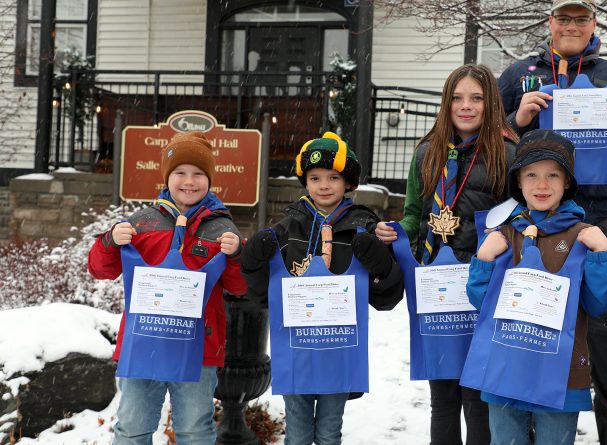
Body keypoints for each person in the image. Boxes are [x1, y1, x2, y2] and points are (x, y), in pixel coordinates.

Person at [497, 2, 607, 442]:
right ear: (549, 23)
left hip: (601, 219)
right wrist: (518, 119)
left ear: (594, 24)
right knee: (532, 326)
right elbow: (487, 149)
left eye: (580, 18)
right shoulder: (518, 74)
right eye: (563, 18)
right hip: (537, 222)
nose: (571, 26)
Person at [375, 63, 518, 445]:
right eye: (457, 98)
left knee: (476, 395)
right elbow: (413, 213)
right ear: (446, 102)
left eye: (476, 98)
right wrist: (394, 233)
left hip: (480, 286)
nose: (466, 106)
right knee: (442, 397)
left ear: (491, 104)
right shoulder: (426, 151)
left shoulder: (507, 153)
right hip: (435, 285)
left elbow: (516, 219)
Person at [240, 132, 403, 445]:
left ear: (348, 183)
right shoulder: (288, 227)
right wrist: (253, 265)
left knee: (329, 434)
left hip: (338, 352)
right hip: (297, 350)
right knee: (298, 436)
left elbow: (386, 298)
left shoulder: (364, 227)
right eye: (314, 177)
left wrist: (382, 265)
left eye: (333, 177)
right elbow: (264, 297)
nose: (324, 185)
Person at [88, 131, 248, 444]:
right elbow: (100, 269)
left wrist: (237, 256)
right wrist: (109, 241)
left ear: (210, 179)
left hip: (198, 347)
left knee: (194, 430)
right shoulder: (143, 222)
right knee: (132, 427)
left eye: (198, 174)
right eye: (180, 173)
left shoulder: (221, 227)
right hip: (145, 340)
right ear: (167, 177)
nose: (189, 181)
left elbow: (240, 287)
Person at [464, 129, 607, 445]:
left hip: (560, 373)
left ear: (567, 183)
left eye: (553, 175)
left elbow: (598, 304)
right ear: (518, 183)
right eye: (531, 174)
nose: (542, 184)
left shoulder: (583, 236)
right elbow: (482, 302)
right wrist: (483, 259)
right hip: (506, 364)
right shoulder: (504, 236)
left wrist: (603, 255)